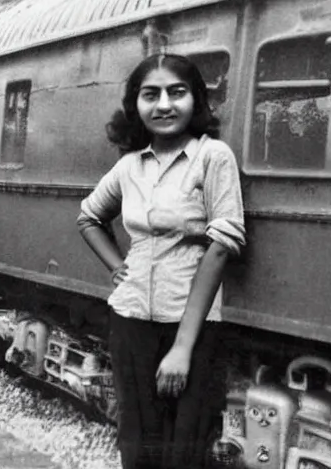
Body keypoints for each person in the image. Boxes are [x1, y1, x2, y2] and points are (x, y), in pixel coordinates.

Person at [78, 54, 244, 469]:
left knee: (184, 449)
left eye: (177, 92)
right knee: (136, 445)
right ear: (135, 104)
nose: (164, 105)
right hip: (129, 320)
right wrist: (118, 267)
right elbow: (89, 218)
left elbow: (222, 244)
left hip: (189, 326)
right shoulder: (128, 167)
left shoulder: (213, 157)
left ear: (196, 100)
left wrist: (183, 348)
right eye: (150, 95)